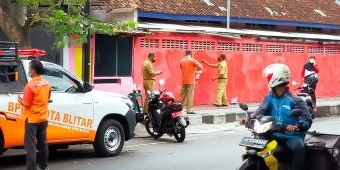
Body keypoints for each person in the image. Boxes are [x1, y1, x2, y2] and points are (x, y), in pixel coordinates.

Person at [240, 63, 312, 170]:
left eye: (270, 76)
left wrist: (297, 126)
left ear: (277, 77)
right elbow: (260, 111)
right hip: (272, 133)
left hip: (290, 135)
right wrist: (249, 119)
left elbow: (307, 119)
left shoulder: (295, 100)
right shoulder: (269, 97)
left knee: (298, 147)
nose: (268, 79)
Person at [18, 59, 51, 170]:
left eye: (29, 68)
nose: (28, 70)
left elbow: (26, 104)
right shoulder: (47, 83)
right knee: (43, 144)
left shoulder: (30, 86)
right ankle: (44, 166)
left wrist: (20, 101)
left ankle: (31, 168)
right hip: (43, 118)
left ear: (33, 71)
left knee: (30, 146)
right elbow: (47, 99)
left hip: (32, 120)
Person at [179, 50, 203, 114]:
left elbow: (182, 69)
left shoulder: (181, 61)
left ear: (185, 53)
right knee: (190, 96)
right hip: (191, 81)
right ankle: (189, 110)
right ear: (191, 54)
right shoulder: (192, 60)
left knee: (182, 96)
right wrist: (196, 72)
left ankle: (178, 109)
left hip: (184, 80)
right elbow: (201, 67)